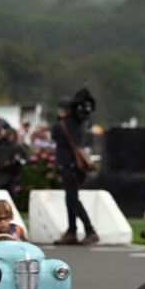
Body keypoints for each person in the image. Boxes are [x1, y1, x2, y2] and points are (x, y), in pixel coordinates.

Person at [51, 96, 98, 245]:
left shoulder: (61, 125)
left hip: (68, 165)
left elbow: (55, 136)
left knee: (73, 199)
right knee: (70, 198)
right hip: (78, 166)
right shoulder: (81, 123)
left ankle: (90, 230)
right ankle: (71, 230)